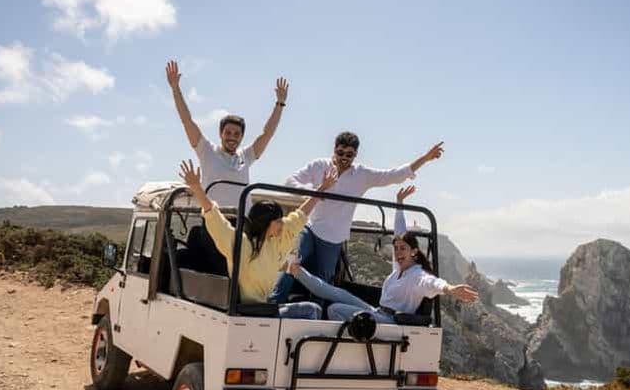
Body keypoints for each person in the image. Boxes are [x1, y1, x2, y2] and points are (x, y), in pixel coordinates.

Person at [269, 131, 445, 303]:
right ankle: (273, 303)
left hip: (333, 238)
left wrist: (425, 158)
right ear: (334, 150)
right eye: (340, 153)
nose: (344, 158)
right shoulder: (319, 166)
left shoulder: (361, 175)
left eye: (349, 154)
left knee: (323, 283)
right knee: (291, 260)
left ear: (355, 155)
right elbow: (290, 182)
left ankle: (316, 312)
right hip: (310, 227)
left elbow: (393, 175)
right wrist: (316, 192)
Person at [284, 186, 479, 323]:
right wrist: (399, 204)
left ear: (414, 252)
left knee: (335, 309)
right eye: (396, 248)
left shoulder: (418, 276)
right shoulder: (399, 268)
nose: (398, 252)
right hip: (378, 312)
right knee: (337, 293)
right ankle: (296, 270)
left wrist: (450, 289)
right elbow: (399, 231)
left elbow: (434, 283)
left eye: (403, 248)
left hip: (391, 321)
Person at [177, 159, 338, 319]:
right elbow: (214, 216)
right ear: (265, 223)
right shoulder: (241, 243)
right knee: (312, 310)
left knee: (313, 308)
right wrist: (197, 188)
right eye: (278, 220)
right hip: (249, 312)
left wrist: (322, 188)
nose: (282, 223)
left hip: (265, 307)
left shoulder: (277, 239)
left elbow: (300, 215)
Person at [166, 60, 289, 208]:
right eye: (228, 132)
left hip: (242, 220)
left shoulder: (246, 156)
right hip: (215, 219)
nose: (232, 137)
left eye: (237, 134)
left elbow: (267, 133)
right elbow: (187, 121)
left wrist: (280, 103)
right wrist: (175, 88)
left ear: (241, 136)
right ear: (221, 133)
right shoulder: (207, 150)